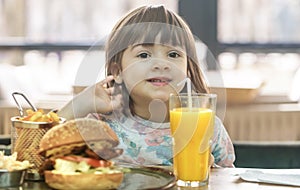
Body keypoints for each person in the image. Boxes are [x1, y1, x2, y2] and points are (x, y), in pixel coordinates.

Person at [58, 5, 235, 167]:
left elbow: (231, 181)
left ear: (187, 69)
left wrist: (212, 172)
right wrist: (77, 106)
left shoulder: (209, 127)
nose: (161, 64)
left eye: (173, 54)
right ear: (117, 71)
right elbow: (35, 158)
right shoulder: (99, 125)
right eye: (144, 55)